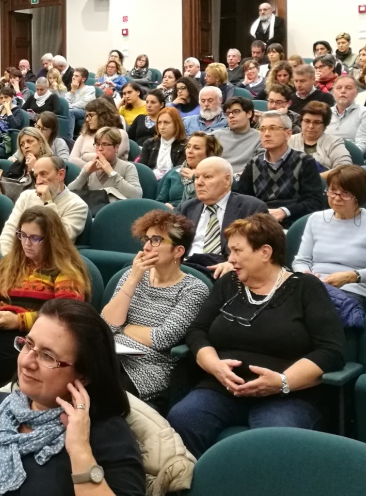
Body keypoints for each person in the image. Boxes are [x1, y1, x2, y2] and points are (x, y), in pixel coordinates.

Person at [0, 298, 145, 496]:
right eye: (28, 344)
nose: (26, 362)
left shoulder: (107, 434)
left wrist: (80, 452)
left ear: (83, 376)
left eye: (47, 356)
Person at [167, 214, 344, 459]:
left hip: (288, 395)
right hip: (223, 388)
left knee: (272, 440)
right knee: (182, 418)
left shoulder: (306, 288)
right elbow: (197, 331)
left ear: (265, 252)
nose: (230, 259)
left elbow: (331, 351)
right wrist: (215, 366)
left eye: (238, 251)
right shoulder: (228, 283)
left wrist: (282, 381)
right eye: (230, 251)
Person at [0, 206, 90, 383]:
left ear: (52, 239)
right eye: (22, 235)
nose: (26, 243)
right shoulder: (9, 263)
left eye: (35, 238)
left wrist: (19, 321)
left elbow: (66, 318)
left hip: (33, 340)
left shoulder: (65, 271)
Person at [102, 211, 209, 405]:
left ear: (178, 251)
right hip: (112, 355)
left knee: (100, 391)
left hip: (150, 367)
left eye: (156, 240)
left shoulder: (193, 289)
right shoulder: (132, 275)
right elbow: (107, 324)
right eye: (146, 239)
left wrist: (124, 327)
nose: (146, 247)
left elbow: (162, 338)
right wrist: (133, 280)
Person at [292, 165, 366, 313]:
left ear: (359, 195)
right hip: (314, 287)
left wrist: (352, 276)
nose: (336, 198)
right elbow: (301, 261)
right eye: (333, 191)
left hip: (354, 291)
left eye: (345, 193)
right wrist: (308, 276)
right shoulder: (315, 219)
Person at [177, 157, 268, 272]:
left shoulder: (252, 208)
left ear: (227, 180)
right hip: (186, 269)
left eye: (207, 177)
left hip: (226, 272)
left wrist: (235, 263)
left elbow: (259, 250)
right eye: (197, 177)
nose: (199, 183)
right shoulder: (185, 208)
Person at [236, 111, 325, 227]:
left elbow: (315, 202)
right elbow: (240, 200)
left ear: (288, 134)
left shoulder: (305, 162)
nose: (266, 134)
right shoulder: (253, 164)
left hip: (293, 222)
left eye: (273, 128)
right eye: (262, 129)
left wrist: (284, 211)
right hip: (260, 223)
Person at [0, 157, 89, 255]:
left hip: (51, 260)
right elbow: (10, 232)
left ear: (61, 175)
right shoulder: (26, 196)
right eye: (36, 176)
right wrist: (6, 258)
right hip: (20, 257)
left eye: (43, 174)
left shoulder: (78, 205)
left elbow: (59, 238)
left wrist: (48, 202)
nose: (38, 181)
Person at [68, 127, 143, 203]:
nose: (100, 148)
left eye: (105, 144)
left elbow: (137, 195)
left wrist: (112, 173)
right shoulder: (89, 167)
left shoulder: (128, 167)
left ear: (116, 147)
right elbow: (69, 193)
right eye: (97, 144)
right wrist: (86, 173)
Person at [157, 132, 224, 207]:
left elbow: (217, 200)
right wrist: (166, 208)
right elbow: (159, 202)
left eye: (196, 148)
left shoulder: (219, 173)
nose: (189, 151)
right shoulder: (174, 172)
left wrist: (195, 177)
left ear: (210, 153)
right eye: (188, 147)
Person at [289, 101, 351, 179]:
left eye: (317, 122)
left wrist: (315, 178)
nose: (311, 126)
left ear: (325, 125)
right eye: (307, 121)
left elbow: (345, 168)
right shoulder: (289, 141)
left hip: (324, 184)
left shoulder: (334, 142)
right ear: (301, 121)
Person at [70, 97, 131, 166]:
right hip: (85, 172)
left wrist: (84, 156)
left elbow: (108, 158)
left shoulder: (121, 134)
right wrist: (90, 169)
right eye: (86, 116)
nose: (87, 119)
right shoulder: (85, 135)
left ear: (103, 115)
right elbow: (72, 160)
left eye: (90, 115)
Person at [327, 76, 366, 155]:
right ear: (333, 92)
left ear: (356, 93)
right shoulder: (324, 113)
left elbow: (363, 146)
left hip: (350, 157)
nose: (343, 91)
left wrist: (339, 155)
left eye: (348, 88)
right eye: (339, 88)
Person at [213, 97, 262, 174]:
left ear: (249, 114)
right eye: (228, 113)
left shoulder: (260, 138)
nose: (231, 116)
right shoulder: (216, 136)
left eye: (236, 111)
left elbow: (259, 166)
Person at [140, 107, 187, 180]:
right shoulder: (149, 143)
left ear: (176, 124)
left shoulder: (185, 146)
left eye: (166, 122)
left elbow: (179, 173)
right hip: (150, 180)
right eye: (159, 123)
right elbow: (142, 169)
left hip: (171, 182)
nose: (162, 127)